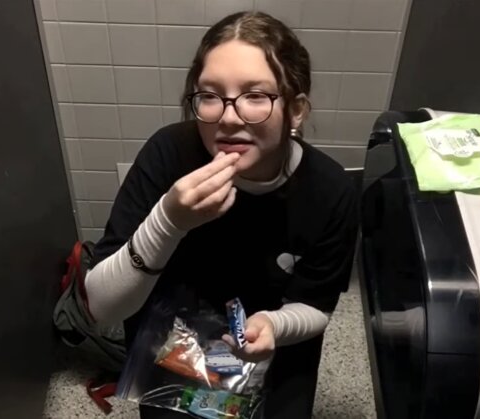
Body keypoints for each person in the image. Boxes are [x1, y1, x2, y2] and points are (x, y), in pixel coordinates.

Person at [84, 11, 358, 419]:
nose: (228, 117)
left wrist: (275, 325)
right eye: (210, 95)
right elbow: (102, 307)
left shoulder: (330, 190)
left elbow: (317, 306)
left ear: (296, 110)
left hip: (273, 353)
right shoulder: (169, 155)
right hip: (174, 345)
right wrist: (169, 221)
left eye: (256, 95)